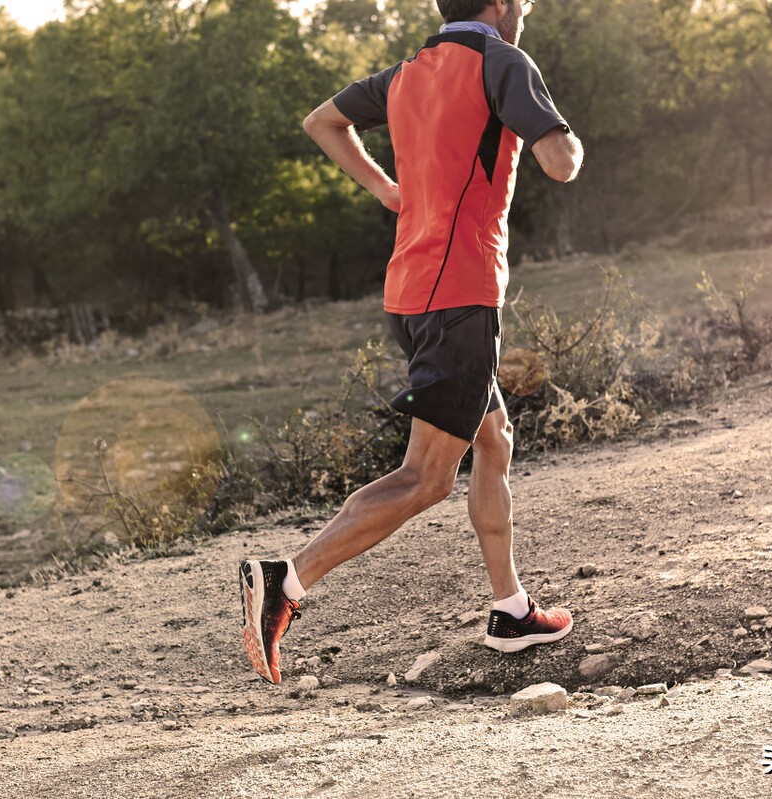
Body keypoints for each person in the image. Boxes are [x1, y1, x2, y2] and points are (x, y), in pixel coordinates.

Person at [240, 0, 583, 684]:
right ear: (501, 5)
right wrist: (564, 135)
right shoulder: (504, 62)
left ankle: (510, 611)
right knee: (425, 478)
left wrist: (389, 191)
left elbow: (322, 122)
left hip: (411, 292)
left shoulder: (405, 75)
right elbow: (561, 163)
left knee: (494, 441)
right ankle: (287, 579)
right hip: (460, 298)